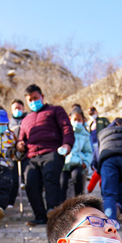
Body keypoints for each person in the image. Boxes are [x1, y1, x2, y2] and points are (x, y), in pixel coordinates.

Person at [16, 84, 75, 226]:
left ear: (42, 97)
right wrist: (19, 145)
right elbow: (20, 139)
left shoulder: (55, 110)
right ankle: (40, 215)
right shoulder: (25, 120)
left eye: (35, 98)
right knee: (30, 183)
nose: (32, 102)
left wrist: (67, 144)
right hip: (31, 156)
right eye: (29, 100)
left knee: (50, 177)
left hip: (52, 152)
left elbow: (66, 128)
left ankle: (53, 210)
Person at [60, 109, 93, 199]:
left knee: (77, 177)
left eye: (79, 120)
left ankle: (79, 201)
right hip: (64, 163)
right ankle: (61, 206)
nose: (77, 122)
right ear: (70, 119)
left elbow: (89, 151)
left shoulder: (85, 135)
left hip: (77, 163)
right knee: (62, 183)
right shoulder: (65, 132)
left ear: (83, 121)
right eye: (75, 119)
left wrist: (86, 162)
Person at [9, 99, 28, 207]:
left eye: (19, 108)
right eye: (15, 108)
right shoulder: (8, 124)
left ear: (23, 108)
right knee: (14, 180)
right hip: (13, 155)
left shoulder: (28, 120)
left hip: (27, 154)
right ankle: (10, 202)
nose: (17, 110)